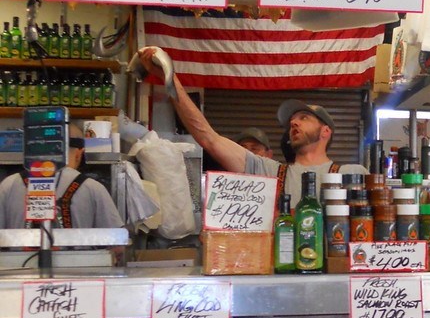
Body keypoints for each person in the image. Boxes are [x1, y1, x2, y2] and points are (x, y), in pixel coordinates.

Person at [137, 48, 367, 208]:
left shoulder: (352, 173)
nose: (294, 123)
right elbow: (209, 138)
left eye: (304, 117)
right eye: (291, 121)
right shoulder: (267, 171)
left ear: (325, 131)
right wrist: (170, 78)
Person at [0, 124, 124, 229]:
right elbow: (116, 245)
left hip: (17, 258)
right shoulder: (93, 188)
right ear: (79, 153)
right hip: (81, 258)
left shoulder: (9, 185)